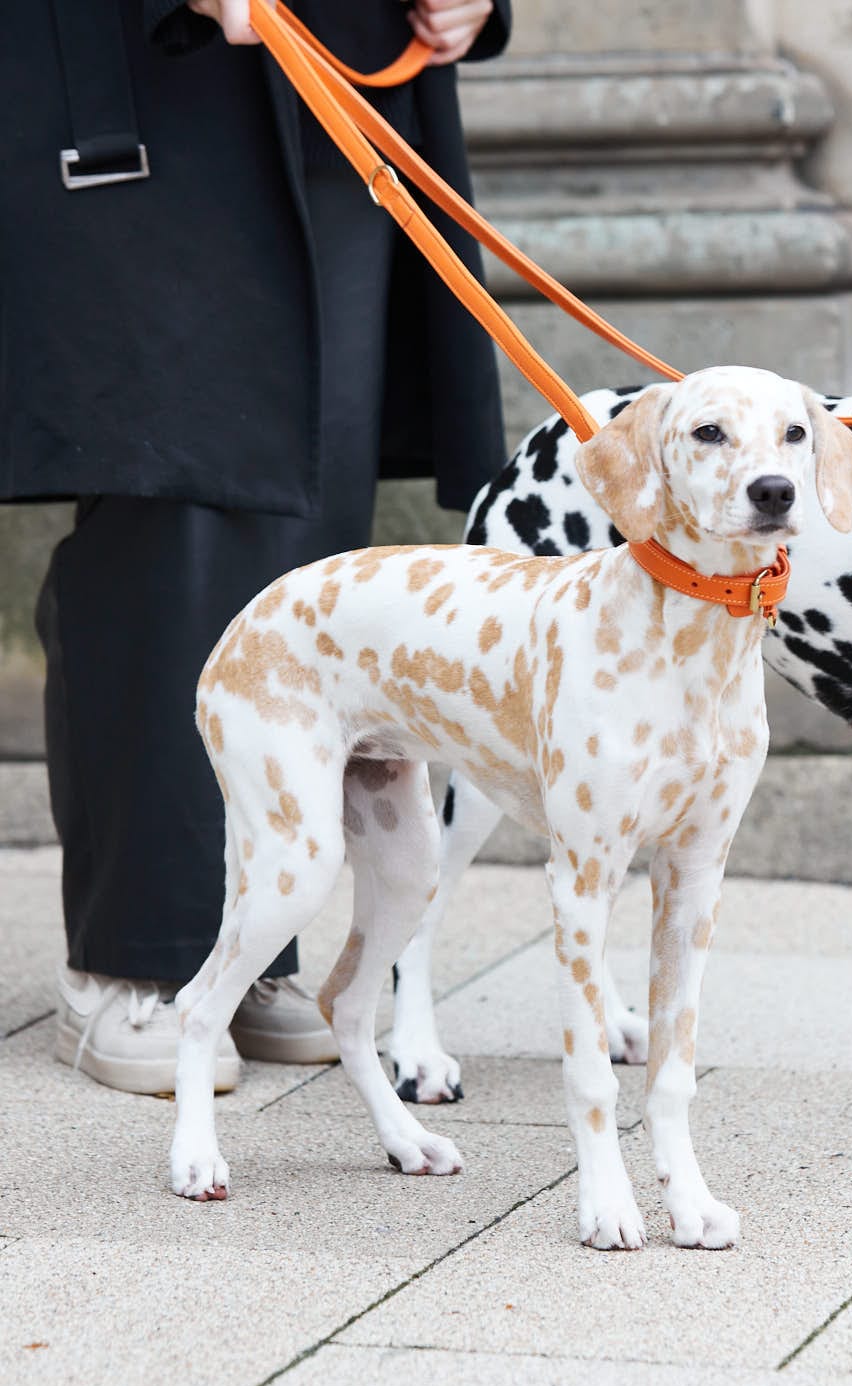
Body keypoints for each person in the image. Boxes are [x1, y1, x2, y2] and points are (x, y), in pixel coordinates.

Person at [0, 0, 510, 1092]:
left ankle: (249, 955)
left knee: (305, 523)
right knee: (169, 502)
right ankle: (129, 963)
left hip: (345, 75)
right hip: (144, 84)